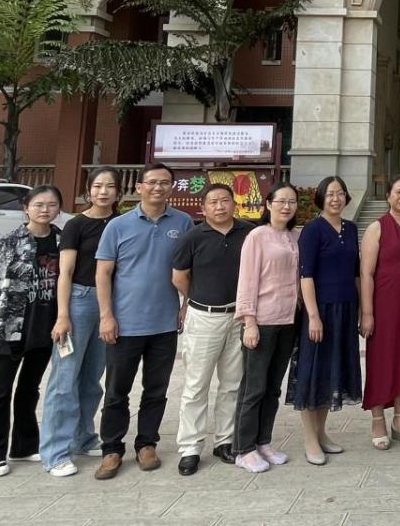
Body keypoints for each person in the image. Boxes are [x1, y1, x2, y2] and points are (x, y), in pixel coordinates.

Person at [95, 163, 192, 480]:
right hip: (124, 324)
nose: (158, 188)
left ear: (171, 187)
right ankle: (111, 449)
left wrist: (185, 305)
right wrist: (106, 316)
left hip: (164, 324)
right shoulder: (118, 226)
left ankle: (147, 444)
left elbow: (188, 269)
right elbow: (103, 273)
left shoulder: (183, 222)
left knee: (156, 389)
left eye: (165, 182)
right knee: (116, 391)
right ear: (139, 187)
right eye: (152, 182)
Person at [0, 185, 63, 478]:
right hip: (9, 328)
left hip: (45, 327)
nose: (45, 210)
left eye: (51, 205)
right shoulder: (9, 242)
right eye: (38, 204)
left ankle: (24, 446)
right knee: (0, 389)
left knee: (29, 388)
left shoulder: (62, 241)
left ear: (58, 209)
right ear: (26, 208)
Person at [40, 167, 120, 477]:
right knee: (64, 379)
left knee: (91, 378)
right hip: (79, 301)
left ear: (118, 192)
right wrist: (63, 316)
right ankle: (55, 452)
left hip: (110, 304)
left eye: (109, 186)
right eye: (98, 186)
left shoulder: (121, 223)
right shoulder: (76, 225)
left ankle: (83, 437)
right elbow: (66, 272)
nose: (103, 191)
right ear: (88, 190)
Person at [170, 183, 253, 475]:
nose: (220, 206)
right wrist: (197, 297)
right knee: (196, 385)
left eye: (225, 200)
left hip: (238, 316)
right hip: (204, 317)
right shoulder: (192, 237)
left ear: (234, 203)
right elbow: (179, 277)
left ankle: (225, 441)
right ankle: (190, 447)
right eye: (213, 202)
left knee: (232, 384)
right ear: (203, 208)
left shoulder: (248, 233)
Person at [290, 175, 361, 464]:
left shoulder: (351, 228)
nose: (336, 198)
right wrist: (313, 316)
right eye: (330, 193)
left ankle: (321, 433)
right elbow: (305, 276)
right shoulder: (312, 229)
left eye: (340, 193)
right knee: (313, 372)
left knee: (332, 371)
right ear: (321, 197)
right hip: (320, 310)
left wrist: (362, 309)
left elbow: (356, 273)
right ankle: (310, 439)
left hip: (346, 308)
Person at [233, 182, 300, 473]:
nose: (287, 206)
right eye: (281, 201)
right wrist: (249, 322)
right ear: (269, 204)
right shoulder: (257, 236)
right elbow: (247, 280)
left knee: (273, 388)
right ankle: (243, 448)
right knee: (254, 387)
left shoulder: (295, 236)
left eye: (292, 201)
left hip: (288, 321)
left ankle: (263, 441)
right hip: (262, 321)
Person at [361, 175, 400, 449]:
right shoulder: (377, 227)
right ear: (388, 196)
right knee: (381, 360)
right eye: (398, 192)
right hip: (384, 304)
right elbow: (366, 273)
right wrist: (367, 313)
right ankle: (377, 421)